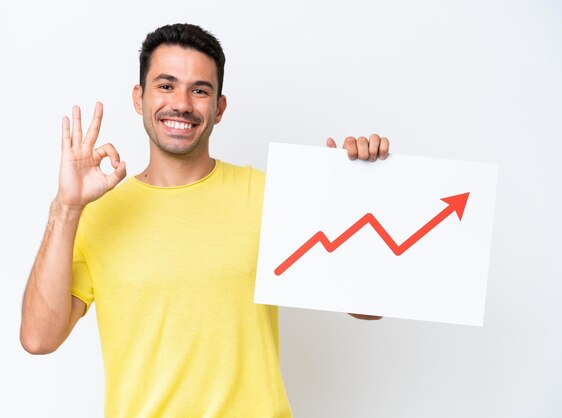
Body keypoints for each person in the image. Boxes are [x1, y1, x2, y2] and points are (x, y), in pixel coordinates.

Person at [20, 23, 389, 417]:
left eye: (199, 90)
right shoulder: (98, 213)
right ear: (138, 97)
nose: (181, 103)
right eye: (165, 85)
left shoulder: (267, 196)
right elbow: (39, 339)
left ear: (219, 107)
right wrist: (65, 208)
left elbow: (368, 307)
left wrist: (353, 195)